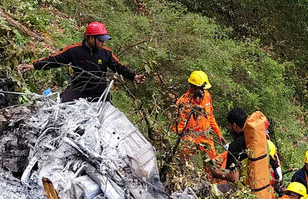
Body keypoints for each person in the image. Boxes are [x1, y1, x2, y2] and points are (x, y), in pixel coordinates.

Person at [16, 22, 145, 102]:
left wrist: (134, 76)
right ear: (91, 38)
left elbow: (120, 67)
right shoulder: (74, 50)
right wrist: (34, 65)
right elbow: (55, 60)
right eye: (100, 40)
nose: (103, 43)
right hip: (78, 90)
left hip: (99, 92)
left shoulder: (106, 53)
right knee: (59, 105)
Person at [173, 71, 223, 159]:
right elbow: (178, 129)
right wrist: (189, 143)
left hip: (207, 140)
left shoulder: (207, 96)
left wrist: (218, 133)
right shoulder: (183, 103)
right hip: (190, 142)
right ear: (192, 87)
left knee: (213, 164)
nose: (203, 92)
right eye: (201, 89)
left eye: (203, 89)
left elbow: (210, 116)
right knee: (188, 163)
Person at [209, 108, 250, 184]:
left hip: (243, 185)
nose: (229, 128)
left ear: (234, 125)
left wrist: (218, 173)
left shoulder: (235, 146)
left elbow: (234, 178)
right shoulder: (254, 138)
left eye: (229, 125)